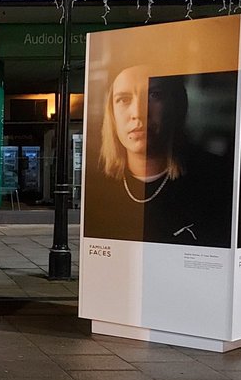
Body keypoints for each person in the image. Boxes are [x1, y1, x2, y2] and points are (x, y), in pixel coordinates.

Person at [83, 64, 230, 247]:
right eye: (124, 99)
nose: (138, 114)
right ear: (111, 114)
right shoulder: (96, 186)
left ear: (177, 104)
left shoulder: (215, 180)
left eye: (154, 95)